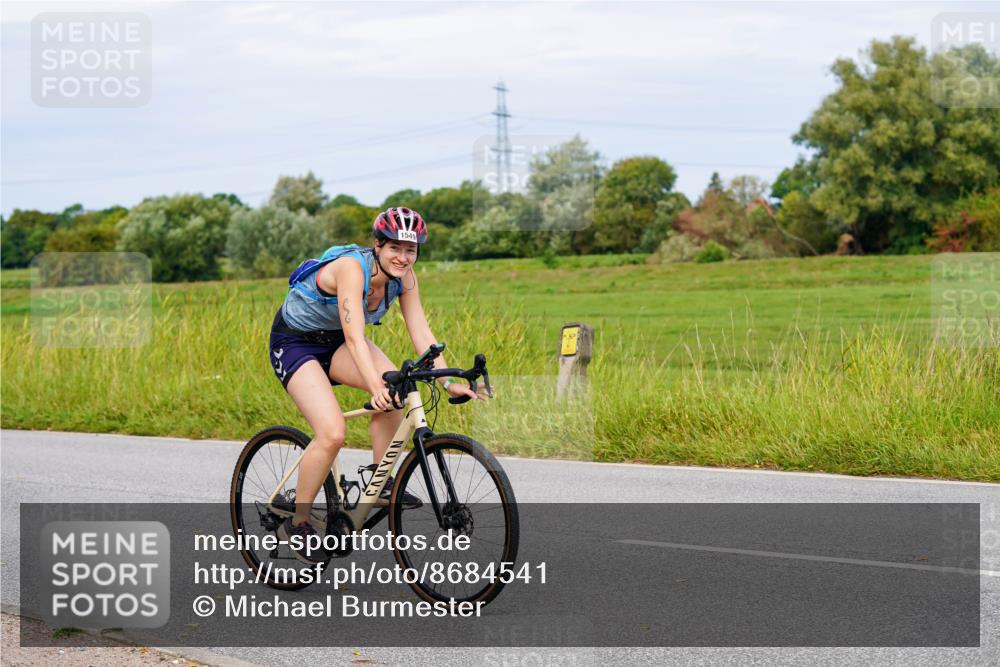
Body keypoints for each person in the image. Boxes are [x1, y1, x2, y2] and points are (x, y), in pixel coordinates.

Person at [269, 207, 486, 563]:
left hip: (335, 341)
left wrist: (449, 382)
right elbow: (356, 340)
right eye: (395, 249)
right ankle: (298, 522)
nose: (403, 258)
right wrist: (375, 388)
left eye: (411, 250)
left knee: (400, 390)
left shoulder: (406, 277)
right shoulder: (352, 270)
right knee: (333, 432)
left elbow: (422, 333)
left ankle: (379, 479)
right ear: (378, 246)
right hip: (296, 343)